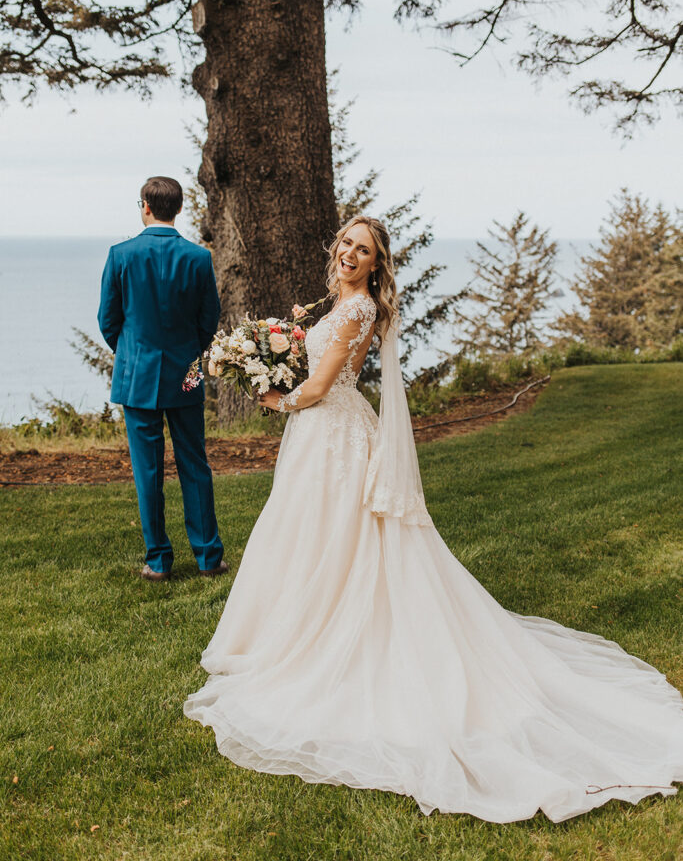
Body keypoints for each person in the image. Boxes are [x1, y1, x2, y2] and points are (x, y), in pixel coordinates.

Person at [183, 214, 683, 822]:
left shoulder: (357, 309)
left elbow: (317, 388)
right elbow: (331, 376)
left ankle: (319, 638)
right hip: (327, 432)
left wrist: (273, 396)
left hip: (331, 433)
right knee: (308, 536)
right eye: (346, 243)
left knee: (332, 541)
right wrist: (276, 360)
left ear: (375, 263)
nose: (349, 253)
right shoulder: (339, 303)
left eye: (362, 250)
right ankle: (287, 629)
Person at [98, 176, 226, 581]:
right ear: (180, 208)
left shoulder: (121, 255)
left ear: (145, 206)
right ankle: (208, 558)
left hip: (136, 377)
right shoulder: (199, 258)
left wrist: (132, 354)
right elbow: (209, 321)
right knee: (195, 464)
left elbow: (108, 320)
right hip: (186, 373)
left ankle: (158, 561)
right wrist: (189, 353)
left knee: (147, 471)